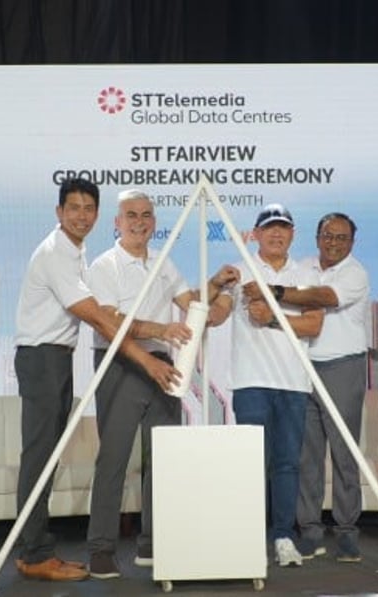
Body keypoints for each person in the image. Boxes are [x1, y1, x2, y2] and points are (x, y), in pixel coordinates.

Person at [13, 177, 179, 582]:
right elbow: (100, 318)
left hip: (59, 356)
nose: (82, 215)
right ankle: (34, 554)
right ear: (59, 212)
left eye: (89, 208)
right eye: (74, 208)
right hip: (42, 357)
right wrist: (148, 355)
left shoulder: (77, 253)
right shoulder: (58, 253)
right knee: (40, 457)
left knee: (47, 454)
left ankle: (40, 550)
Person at [84, 189, 234, 579]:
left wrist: (217, 285)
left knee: (164, 457)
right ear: (117, 223)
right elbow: (110, 320)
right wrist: (160, 329)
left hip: (164, 365)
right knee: (114, 458)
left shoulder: (163, 263)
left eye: (146, 215)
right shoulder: (105, 265)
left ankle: (154, 542)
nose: (139, 221)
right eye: (130, 215)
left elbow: (193, 303)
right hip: (121, 361)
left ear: (154, 222)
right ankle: (101, 548)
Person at [245, 212, 370, 563]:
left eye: (341, 238)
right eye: (328, 235)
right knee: (307, 457)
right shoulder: (301, 267)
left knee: (344, 455)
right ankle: (310, 531)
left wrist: (279, 293)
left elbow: (325, 297)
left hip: (342, 367)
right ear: (316, 238)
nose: (333, 242)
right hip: (300, 370)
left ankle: (347, 533)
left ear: (352, 242)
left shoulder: (355, 273)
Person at [211, 203, 324, 568]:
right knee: (249, 463)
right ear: (255, 234)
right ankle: (245, 538)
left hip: (292, 381)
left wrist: (273, 317)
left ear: (292, 234)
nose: (276, 234)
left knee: (288, 464)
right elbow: (217, 315)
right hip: (250, 382)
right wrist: (210, 293)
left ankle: (283, 537)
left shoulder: (306, 273)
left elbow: (313, 325)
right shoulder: (240, 270)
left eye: (283, 228)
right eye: (269, 228)